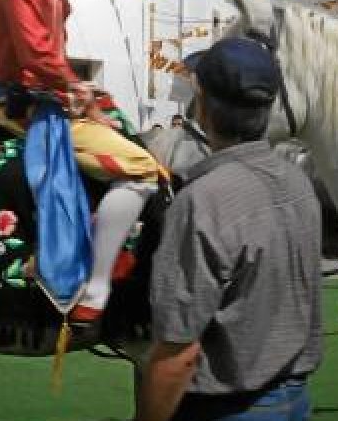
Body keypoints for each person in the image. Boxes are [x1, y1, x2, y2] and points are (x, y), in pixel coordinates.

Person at [0, 0, 159, 337]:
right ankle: (97, 287)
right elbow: (35, 50)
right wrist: (74, 86)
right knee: (144, 169)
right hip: (30, 103)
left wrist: (75, 87)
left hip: (46, 92)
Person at [138, 38, 322, 421]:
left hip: (226, 407)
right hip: (293, 399)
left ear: (200, 105)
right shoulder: (297, 181)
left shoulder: (202, 201)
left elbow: (178, 353)